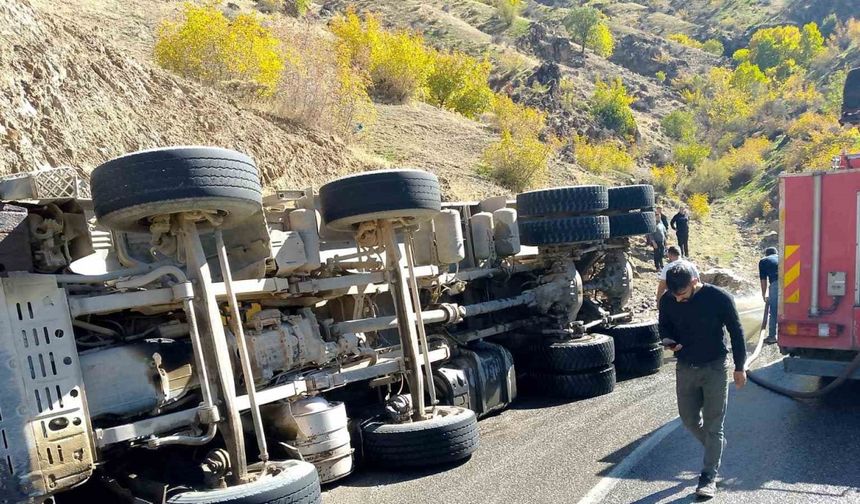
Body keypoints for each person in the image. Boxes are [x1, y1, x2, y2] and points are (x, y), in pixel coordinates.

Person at [659, 263, 747, 498]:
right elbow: (664, 326)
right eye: (674, 296)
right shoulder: (668, 299)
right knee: (688, 420)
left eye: (682, 294)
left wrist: (740, 367)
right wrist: (668, 340)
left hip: (715, 368)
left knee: (713, 424)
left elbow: (737, 332)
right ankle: (715, 446)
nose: (678, 300)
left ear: (694, 282)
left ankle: (708, 477)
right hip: (685, 367)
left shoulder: (719, 298)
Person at [759, 246, 779, 344]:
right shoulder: (782, 257)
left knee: (774, 311)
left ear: (766, 254)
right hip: (791, 283)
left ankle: (772, 337)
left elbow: (763, 280)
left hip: (776, 284)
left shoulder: (764, 261)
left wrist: (764, 295)